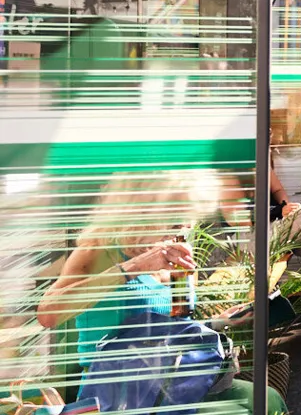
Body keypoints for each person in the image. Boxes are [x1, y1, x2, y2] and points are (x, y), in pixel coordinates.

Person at [38, 171, 287, 414]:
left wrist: (217, 322)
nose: (186, 226)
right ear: (143, 209)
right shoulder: (99, 251)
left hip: (170, 380)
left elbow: (173, 329)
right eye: (176, 217)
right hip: (118, 391)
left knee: (266, 399)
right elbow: (48, 315)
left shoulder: (175, 255)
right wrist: (135, 267)